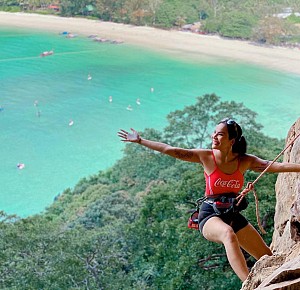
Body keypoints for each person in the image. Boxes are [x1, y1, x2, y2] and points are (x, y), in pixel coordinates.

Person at [117, 118, 300, 282]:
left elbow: (279, 166)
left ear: (232, 141)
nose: (214, 137)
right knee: (228, 234)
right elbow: (170, 150)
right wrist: (140, 141)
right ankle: (248, 284)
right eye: (214, 133)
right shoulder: (206, 157)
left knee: (267, 257)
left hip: (231, 213)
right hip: (210, 214)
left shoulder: (244, 161)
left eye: (220, 134)